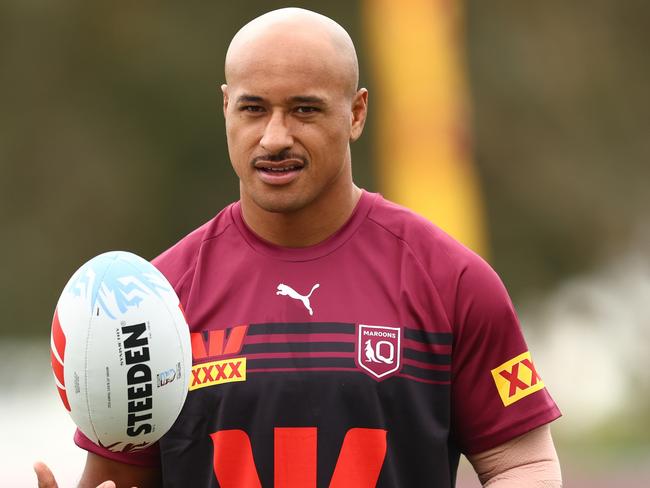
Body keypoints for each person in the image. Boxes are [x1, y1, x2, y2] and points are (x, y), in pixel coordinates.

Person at [35, 7, 562, 488]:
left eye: (304, 110)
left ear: (356, 114)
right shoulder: (154, 302)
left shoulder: (451, 281)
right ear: (225, 108)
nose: (274, 137)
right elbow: (116, 480)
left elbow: (523, 463)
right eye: (253, 109)